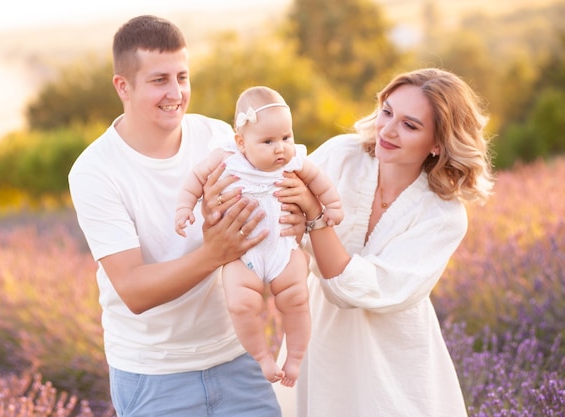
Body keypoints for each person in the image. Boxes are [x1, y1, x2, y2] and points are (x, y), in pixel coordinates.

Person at [68, 15, 304, 417]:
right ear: (122, 86)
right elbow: (134, 290)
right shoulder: (95, 170)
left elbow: (288, 182)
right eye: (159, 80)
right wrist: (216, 252)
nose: (175, 93)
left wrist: (302, 215)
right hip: (155, 377)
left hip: (239, 358)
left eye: (182, 77)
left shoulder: (218, 138)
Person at [277, 68, 494, 416]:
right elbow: (278, 208)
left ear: (438, 143)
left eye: (410, 125)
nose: (388, 130)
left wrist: (315, 217)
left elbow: (355, 289)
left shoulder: (442, 216)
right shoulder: (341, 155)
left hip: (393, 357)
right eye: (387, 111)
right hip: (320, 338)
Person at [175, 86, 343, 387]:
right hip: (242, 254)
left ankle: (295, 357)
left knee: (297, 299)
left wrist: (332, 206)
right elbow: (196, 180)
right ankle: (262, 356)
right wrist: (185, 207)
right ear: (241, 142)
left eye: (286, 137)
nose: (281, 148)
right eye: (268, 141)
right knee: (241, 305)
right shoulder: (226, 156)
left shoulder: (293, 162)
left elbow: (320, 181)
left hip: (282, 248)